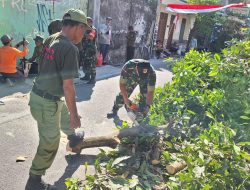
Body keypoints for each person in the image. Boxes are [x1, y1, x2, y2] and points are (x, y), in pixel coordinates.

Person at [25, 9, 90, 190]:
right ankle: (34, 180)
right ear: (77, 27)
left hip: (40, 95)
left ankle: (72, 135)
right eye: (84, 30)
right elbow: (68, 87)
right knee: (50, 141)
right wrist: (76, 116)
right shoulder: (69, 48)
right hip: (47, 102)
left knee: (63, 111)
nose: (84, 35)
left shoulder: (52, 38)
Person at [80, 17, 97, 84]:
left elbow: (91, 37)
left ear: (90, 22)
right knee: (85, 63)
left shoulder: (93, 29)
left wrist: (83, 34)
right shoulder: (84, 29)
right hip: (84, 49)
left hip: (91, 50)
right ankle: (87, 76)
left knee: (91, 64)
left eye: (87, 22)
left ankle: (93, 78)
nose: (86, 23)